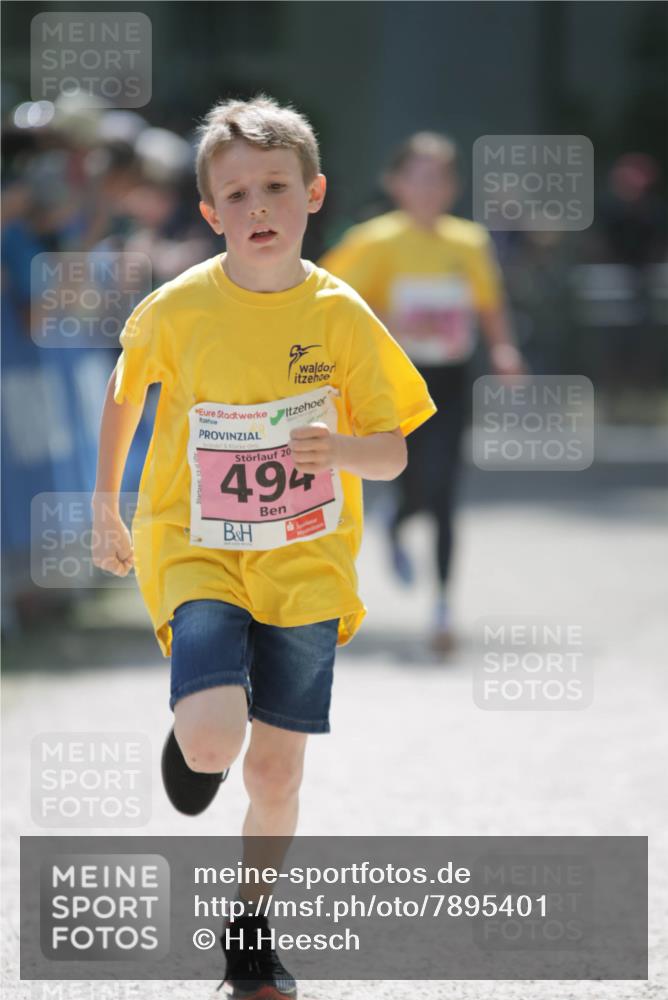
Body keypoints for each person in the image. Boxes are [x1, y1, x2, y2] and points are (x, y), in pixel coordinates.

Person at [91, 95, 435, 1000]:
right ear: (209, 214)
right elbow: (126, 395)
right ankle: (193, 735)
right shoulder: (176, 309)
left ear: (313, 193)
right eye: (236, 195)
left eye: (276, 187)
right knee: (214, 745)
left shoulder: (342, 315)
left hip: (306, 563)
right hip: (195, 543)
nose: (259, 209)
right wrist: (105, 507)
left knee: (275, 769)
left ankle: (251, 934)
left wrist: (340, 450)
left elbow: (396, 451)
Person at [320, 132, 524, 652]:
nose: (430, 188)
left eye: (441, 177)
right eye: (420, 175)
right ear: (396, 182)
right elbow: (330, 296)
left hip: (451, 377)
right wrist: (386, 320)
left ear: (453, 187)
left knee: (447, 487)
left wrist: (503, 351)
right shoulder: (373, 239)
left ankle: (442, 607)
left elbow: (489, 304)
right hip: (393, 381)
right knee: (415, 483)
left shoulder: (469, 242)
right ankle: (396, 519)